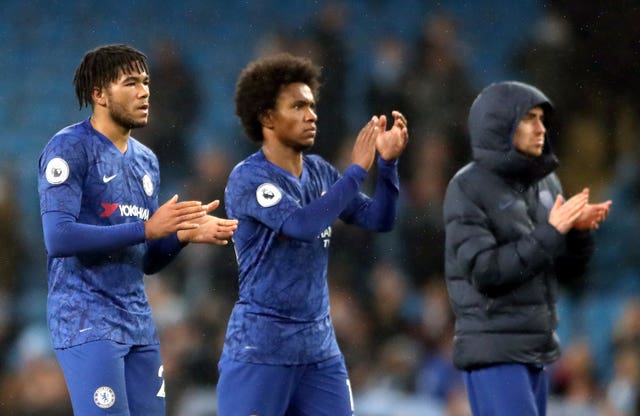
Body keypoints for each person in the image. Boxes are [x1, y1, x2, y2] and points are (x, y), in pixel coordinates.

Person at [37, 44, 238, 416]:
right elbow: (59, 237)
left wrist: (180, 235)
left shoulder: (147, 162)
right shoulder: (68, 149)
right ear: (99, 93)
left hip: (138, 324)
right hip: (86, 322)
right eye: (130, 83)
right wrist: (146, 228)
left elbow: (144, 261)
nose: (144, 91)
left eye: (146, 82)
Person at [218, 53, 408, 416]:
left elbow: (378, 219)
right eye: (299, 106)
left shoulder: (320, 172)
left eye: (313, 105)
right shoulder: (249, 178)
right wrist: (355, 171)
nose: (312, 115)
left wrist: (387, 164)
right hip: (261, 351)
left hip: (319, 353)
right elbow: (301, 225)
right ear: (267, 117)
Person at [442, 80, 612, 416]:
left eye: (542, 119)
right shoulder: (468, 187)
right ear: (499, 125)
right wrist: (551, 232)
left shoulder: (546, 183)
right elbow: (486, 272)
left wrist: (576, 234)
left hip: (535, 350)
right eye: (529, 118)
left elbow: (566, 273)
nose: (541, 129)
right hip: (495, 350)